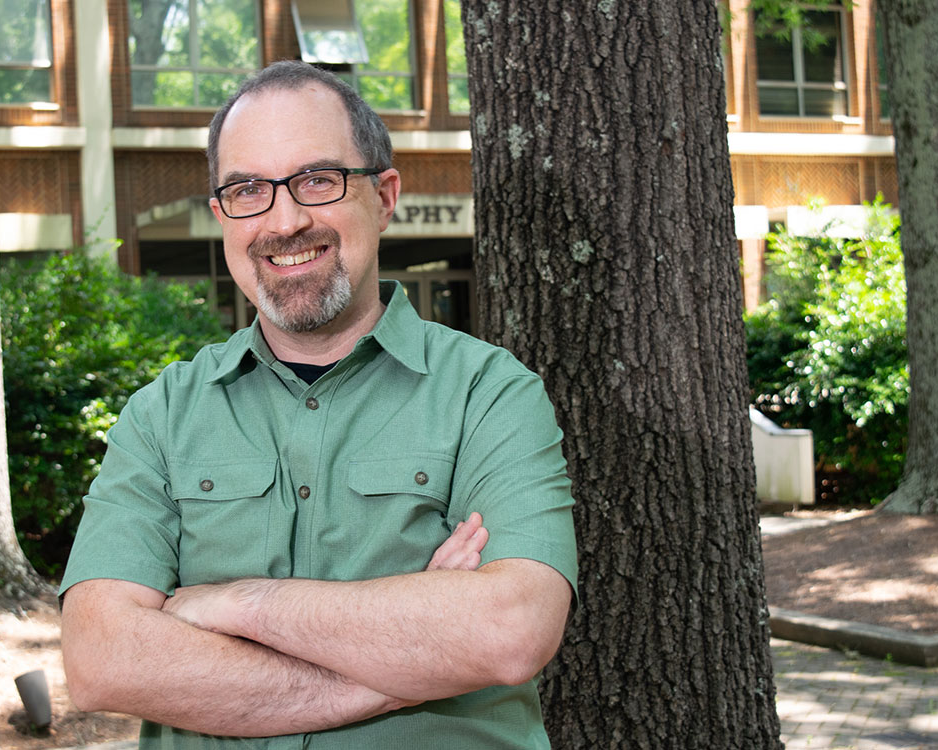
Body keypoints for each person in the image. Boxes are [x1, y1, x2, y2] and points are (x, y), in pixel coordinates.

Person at [60, 60, 578, 749]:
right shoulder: (161, 416)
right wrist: (406, 664)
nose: (285, 219)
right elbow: (102, 659)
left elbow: (509, 630)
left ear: (384, 195)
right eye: (248, 190)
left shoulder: (490, 394)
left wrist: (237, 604)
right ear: (222, 216)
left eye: (317, 180)